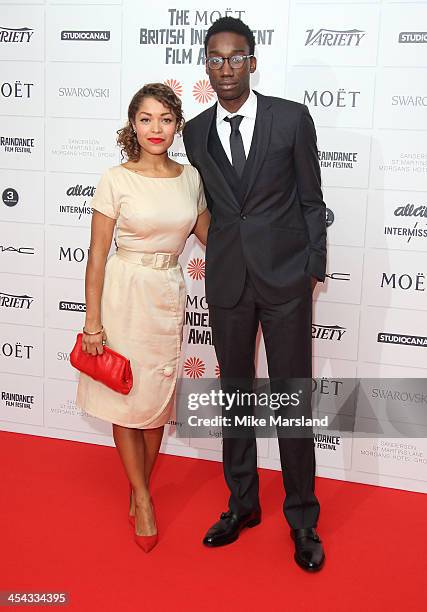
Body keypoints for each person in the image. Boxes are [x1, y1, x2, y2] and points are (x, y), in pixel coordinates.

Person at [182, 17, 326, 571]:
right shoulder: (194, 131)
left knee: (292, 403)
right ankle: (242, 504)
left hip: (287, 280)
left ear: (253, 61)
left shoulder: (291, 118)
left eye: (235, 57)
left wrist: (313, 267)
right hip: (228, 283)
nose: (225, 68)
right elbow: (208, 207)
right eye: (215, 59)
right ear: (206, 65)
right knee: (235, 397)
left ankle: (304, 520)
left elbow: (312, 200)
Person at [76, 83, 210, 553]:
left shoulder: (191, 177)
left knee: (154, 401)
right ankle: (143, 497)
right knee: (125, 399)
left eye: (166, 119)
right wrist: (93, 323)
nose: (156, 128)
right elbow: (96, 257)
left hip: (167, 292)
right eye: (147, 119)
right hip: (123, 291)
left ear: (177, 126)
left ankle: (141, 486)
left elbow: (215, 236)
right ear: (133, 124)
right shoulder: (116, 178)